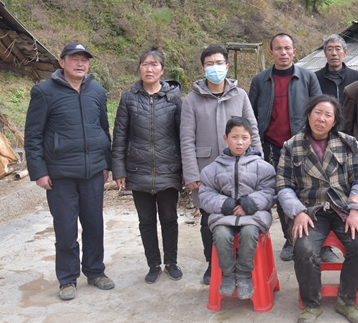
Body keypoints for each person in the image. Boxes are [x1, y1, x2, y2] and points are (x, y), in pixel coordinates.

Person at [25, 42, 114, 301]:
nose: (79, 63)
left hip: (93, 172)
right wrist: (39, 171)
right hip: (60, 174)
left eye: (84, 59)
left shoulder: (96, 90)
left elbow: (103, 130)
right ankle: (67, 278)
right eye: (73, 58)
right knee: (65, 228)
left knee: (94, 224)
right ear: (61, 62)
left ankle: (95, 271)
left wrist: (105, 163)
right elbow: (33, 136)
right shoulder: (44, 92)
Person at [277, 95, 358, 323]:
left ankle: (346, 301)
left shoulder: (349, 142)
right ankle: (312, 303)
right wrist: (297, 212)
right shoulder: (292, 146)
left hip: (343, 208)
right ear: (308, 115)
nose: (321, 119)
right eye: (317, 112)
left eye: (328, 115)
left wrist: (355, 210)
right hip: (310, 211)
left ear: (335, 120)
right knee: (304, 248)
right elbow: (283, 185)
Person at [181, 44, 262, 285]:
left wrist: (258, 162)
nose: (214, 68)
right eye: (209, 64)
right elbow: (186, 139)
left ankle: (240, 262)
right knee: (209, 219)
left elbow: (253, 131)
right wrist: (191, 173)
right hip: (206, 168)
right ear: (202, 68)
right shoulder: (191, 100)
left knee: (240, 213)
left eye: (219, 63)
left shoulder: (240, 95)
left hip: (241, 167)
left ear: (227, 66)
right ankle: (212, 263)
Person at [249, 32, 322, 262]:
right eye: (278, 48)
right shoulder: (260, 80)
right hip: (272, 146)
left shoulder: (308, 77)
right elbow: (250, 114)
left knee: (310, 191)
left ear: (294, 51)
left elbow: (319, 110)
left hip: (303, 145)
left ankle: (315, 237)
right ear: (271, 52)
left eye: (287, 48)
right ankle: (290, 240)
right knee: (282, 193)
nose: (283, 52)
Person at [112, 48, 183, 284]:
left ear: (162, 70)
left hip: (168, 169)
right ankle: (153, 264)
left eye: (154, 64)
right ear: (139, 68)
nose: (149, 68)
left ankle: (171, 262)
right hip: (138, 170)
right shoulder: (129, 98)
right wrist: (119, 170)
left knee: (169, 218)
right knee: (146, 221)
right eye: (145, 64)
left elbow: (183, 135)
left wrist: (184, 170)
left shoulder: (173, 98)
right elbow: (120, 136)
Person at [199, 116, 276, 300]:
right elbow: (205, 195)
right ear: (225, 138)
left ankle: (243, 273)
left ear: (251, 139)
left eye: (244, 137)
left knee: (249, 233)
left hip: (253, 217)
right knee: (220, 234)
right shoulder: (213, 168)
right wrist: (225, 204)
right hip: (224, 216)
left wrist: (250, 203)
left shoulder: (263, 167)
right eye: (234, 137)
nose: (239, 142)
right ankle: (227, 273)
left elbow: (269, 192)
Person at [314, 34, 358, 104]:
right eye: (330, 49)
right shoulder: (314, 78)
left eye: (338, 49)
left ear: (345, 52)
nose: (334, 53)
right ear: (325, 53)